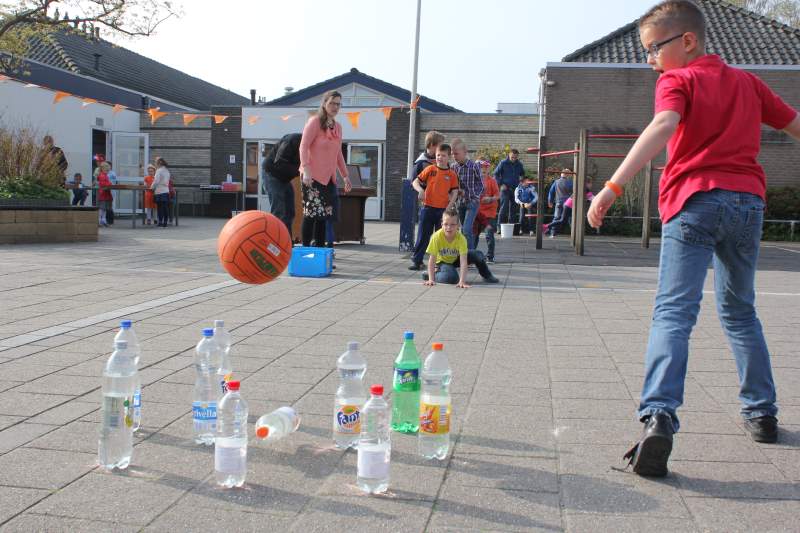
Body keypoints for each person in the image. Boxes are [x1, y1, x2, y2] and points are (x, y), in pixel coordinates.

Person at [587, 0, 800, 478]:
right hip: (748, 204)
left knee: (674, 311)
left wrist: (611, 186)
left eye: (653, 49)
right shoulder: (749, 83)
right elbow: (796, 124)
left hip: (695, 201)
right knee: (741, 309)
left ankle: (659, 414)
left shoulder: (677, 80)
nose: (650, 61)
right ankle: (762, 411)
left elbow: (663, 125)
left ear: (686, 41)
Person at [299, 90, 352, 248]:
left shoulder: (338, 127)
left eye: (338, 104)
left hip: (329, 179)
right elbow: (303, 146)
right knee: (311, 215)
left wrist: (345, 176)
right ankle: (306, 253)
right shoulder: (314, 122)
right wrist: (306, 169)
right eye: (332, 103)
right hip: (312, 177)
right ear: (324, 104)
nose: (335, 107)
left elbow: (338, 154)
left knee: (324, 216)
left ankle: (320, 255)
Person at [408, 144, 459, 270]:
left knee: (441, 237)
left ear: (449, 157)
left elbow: (455, 192)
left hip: (443, 211)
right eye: (438, 155)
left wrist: (450, 206)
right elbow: (415, 181)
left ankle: (440, 263)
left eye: (443, 155)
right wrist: (420, 190)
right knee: (423, 236)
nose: (440, 158)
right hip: (427, 208)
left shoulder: (452, 174)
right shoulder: (430, 169)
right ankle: (417, 261)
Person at [422, 207, 499, 287]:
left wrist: (462, 281)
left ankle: (487, 276)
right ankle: (431, 274)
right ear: (442, 224)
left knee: (478, 255)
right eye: (446, 224)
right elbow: (432, 259)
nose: (449, 227)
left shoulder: (461, 238)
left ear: (458, 225)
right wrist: (431, 279)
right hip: (442, 262)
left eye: (452, 224)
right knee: (452, 278)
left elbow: (463, 261)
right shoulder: (436, 237)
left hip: (455, 259)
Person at [263, 133, 302, 237]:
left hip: (284, 178)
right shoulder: (291, 140)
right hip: (272, 174)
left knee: (290, 211)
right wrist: (301, 170)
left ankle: (287, 241)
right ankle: (276, 240)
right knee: (279, 211)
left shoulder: (311, 148)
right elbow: (279, 162)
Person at [451, 139, 483, 250]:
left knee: (467, 229)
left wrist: (474, 196)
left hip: (472, 202)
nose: (454, 156)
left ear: (465, 152)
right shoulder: (453, 167)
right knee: (462, 230)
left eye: (456, 154)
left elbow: (481, 184)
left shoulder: (474, 166)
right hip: (460, 203)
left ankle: (470, 256)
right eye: (452, 154)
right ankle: (464, 254)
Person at [493, 148, 525, 226]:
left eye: (515, 157)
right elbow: (495, 174)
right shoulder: (503, 163)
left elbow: (522, 174)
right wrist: (501, 184)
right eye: (512, 157)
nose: (514, 159)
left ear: (517, 156)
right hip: (505, 189)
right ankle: (499, 227)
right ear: (509, 155)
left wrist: (521, 180)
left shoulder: (519, 164)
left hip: (515, 189)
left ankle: (511, 227)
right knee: (504, 208)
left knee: (513, 210)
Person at [477, 159, 500, 263]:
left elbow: (497, 195)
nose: (484, 169)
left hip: (490, 212)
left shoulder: (492, 181)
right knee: (473, 235)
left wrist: (490, 199)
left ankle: (490, 256)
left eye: (486, 167)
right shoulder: (474, 180)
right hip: (477, 211)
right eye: (481, 167)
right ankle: (471, 256)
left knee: (489, 234)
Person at [546, 170, 574, 238]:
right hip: (568, 203)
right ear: (567, 175)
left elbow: (551, 192)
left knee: (556, 217)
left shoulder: (556, 182)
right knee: (571, 218)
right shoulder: (571, 182)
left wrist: (550, 201)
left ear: (562, 174)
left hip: (559, 202)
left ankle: (553, 233)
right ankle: (574, 233)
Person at [151, 157, 171, 228]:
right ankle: (165, 222)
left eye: (155, 162)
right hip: (166, 191)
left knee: (160, 208)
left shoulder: (159, 171)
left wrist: (151, 187)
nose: (155, 163)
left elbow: (156, 181)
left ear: (159, 163)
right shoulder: (167, 171)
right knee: (165, 207)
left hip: (159, 191)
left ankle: (160, 222)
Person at [96, 163, 113, 227]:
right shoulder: (102, 175)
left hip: (105, 193)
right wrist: (109, 184)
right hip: (103, 194)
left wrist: (109, 183)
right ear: (103, 169)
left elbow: (106, 183)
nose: (108, 172)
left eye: (108, 170)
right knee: (102, 208)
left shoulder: (104, 175)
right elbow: (104, 184)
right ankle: (100, 221)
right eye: (107, 170)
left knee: (104, 208)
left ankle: (103, 220)